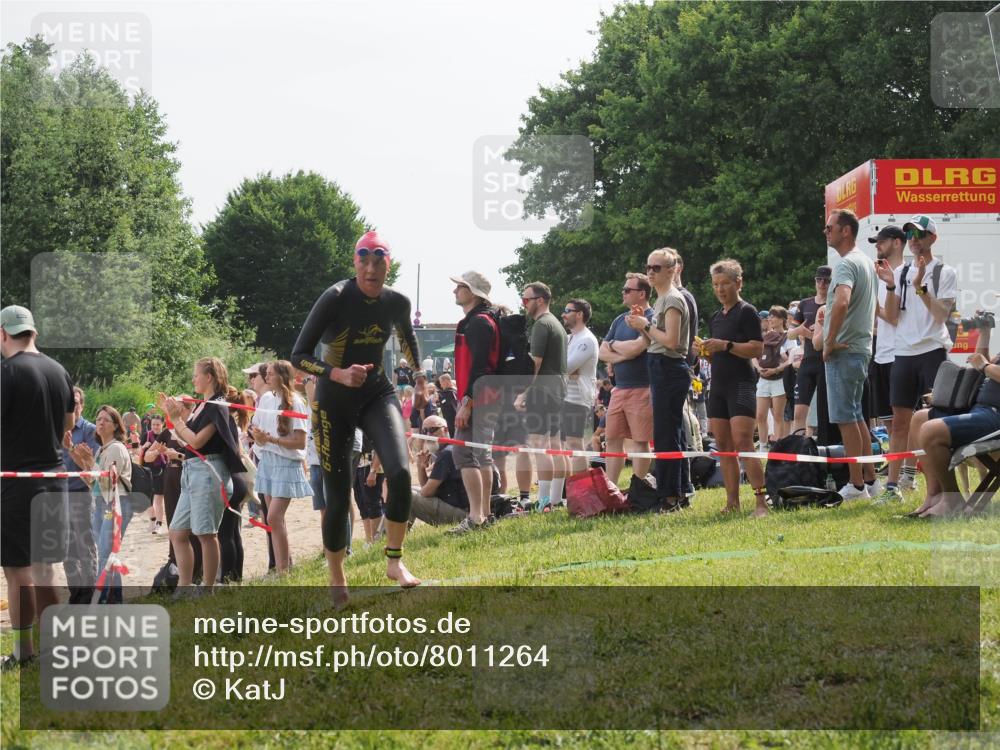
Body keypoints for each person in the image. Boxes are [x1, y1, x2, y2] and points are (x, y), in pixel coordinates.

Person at [291, 229, 421, 602]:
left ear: (387, 266)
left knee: (399, 472)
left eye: (378, 262)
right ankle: (336, 576)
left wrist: (421, 378)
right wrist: (337, 374)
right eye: (364, 261)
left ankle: (394, 560)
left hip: (377, 392)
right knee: (337, 495)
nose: (370, 269)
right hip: (334, 400)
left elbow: (409, 342)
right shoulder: (335, 297)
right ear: (355, 263)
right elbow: (298, 355)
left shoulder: (397, 301)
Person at [1, 305, 73, 670]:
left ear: (2, 334)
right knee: (47, 567)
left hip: (16, 481)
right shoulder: (58, 371)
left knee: (18, 569)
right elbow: (68, 422)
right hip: (55, 477)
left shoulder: (7, 373)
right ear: (34, 333)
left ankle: (23, 651)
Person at [875, 215, 957, 501]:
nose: (913, 241)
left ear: (932, 238)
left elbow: (940, 316)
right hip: (904, 353)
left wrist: (920, 287)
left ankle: (935, 489)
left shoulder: (944, 271)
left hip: (932, 351)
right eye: (910, 235)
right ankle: (892, 486)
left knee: (933, 420)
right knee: (899, 422)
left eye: (919, 235)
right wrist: (888, 286)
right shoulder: (900, 272)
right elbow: (893, 317)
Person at [157, 357, 243, 594]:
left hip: (208, 473)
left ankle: (208, 589)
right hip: (191, 472)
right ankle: (185, 587)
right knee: (177, 532)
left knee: (206, 533)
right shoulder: (201, 406)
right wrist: (175, 419)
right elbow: (188, 441)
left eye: (196, 374)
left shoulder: (218, 405)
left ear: (209, 377)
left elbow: (197, 441)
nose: (193, 379)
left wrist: (175, 420)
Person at [908, 325, 998, 516]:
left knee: (930, 431)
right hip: (980, 409)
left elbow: (985, 367)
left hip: (994, 415)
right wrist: (984, 333)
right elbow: (982, 368)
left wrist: (985, 366)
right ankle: (935, 495)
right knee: (919, 419)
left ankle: (952, 500)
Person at [625, 248, 691, 509]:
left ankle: (671, 494)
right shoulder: (664, 299)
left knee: (666, 435)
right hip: (662, 365)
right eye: (648, 267)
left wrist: (646, 325)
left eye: (657, 268)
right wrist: (642, 324)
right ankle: (678, 491)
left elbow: (673, 342)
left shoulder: (672, 299)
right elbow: (658, 339)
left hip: (669, 367)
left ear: (672, 270)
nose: (650, 272)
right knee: (668, 433)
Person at [702, 260, 767, 516]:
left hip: (741, 384)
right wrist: (707, 351)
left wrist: (726, 345)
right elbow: (718, 354)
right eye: (716, 284)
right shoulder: (716, 317)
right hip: (718, 385)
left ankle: (762, 502)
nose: (720, 289)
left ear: (738, 283)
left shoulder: (747, 311)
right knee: (724, 445)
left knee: (743, 443)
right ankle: (732, 503)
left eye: (725, 283)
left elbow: (757, 348)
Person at [822, 208, 879, 500]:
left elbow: (842, 302)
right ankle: (869, 479)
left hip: (845, 350)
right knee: (856, 417)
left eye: (830, 227)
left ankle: (856, 485)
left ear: (846, 231)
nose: (826, 231)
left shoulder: (846, 265)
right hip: (859, 349)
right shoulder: (866, 262)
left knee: (846, 418)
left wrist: (829, 341)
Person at [449, 270, 501, 532]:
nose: (455, 291)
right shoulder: (480, 319)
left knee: (465, 453)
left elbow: (480, 367)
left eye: (459, 286)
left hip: (479, 397)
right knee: (480, 454)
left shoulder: (479, 322)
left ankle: (477, 517)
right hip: (484, 396)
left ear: (473, 291)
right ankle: (484, 515)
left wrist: (467, 401)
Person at [249, 360, 312, 574]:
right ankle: (282, 567)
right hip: (267, 461)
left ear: (283, 376)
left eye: (271, 374)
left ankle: (283, 569)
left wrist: (271, 440)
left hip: (286, 463)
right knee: (273, 519)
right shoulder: (266, 399)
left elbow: (300, 442)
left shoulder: (296, 401)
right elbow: (258, 436)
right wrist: (258, 437)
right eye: (265, 374)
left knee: (274, 516)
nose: (266, 377)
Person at [70, 405, 133, 604]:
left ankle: (101, 602)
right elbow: (96, 484)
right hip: (103, 504)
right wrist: (84, 463)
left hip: (116, 505)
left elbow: (108, 484)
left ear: (115, 425)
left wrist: (90, 462)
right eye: (98, 419)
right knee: (108, 556)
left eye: (106, 419)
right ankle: (114, 601)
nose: (100, 422)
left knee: (105, 555)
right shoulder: (103, 449)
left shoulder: (115, 448)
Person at [514, 282, 568, 510]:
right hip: (557, 390)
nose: (523, 303)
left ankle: (544, 501)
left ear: (540, 300)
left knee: (540, 444)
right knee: (554, 445)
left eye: (526, 299)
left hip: (543, 391)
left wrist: (522, 394)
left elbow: (534, 365)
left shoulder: (542, 325)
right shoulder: (555, 323)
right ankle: (555, 499)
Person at [598, 273, 655, 487]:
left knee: (640, 442)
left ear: (641, 294)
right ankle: (611, 488)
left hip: (643, 388)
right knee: (611, 439)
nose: (623, 293)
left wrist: (614, 346)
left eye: (627, 290)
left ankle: (638, 488)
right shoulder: (619, 319)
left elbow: (640, 346)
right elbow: (602, 351)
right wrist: (622, 352)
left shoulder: (651, 317)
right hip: (619, 390)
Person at [867, 225, 906, 502]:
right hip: (880, 354)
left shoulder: (905, 274)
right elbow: (881, 322)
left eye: (881, 241)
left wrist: (874, 310)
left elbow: (893, 318)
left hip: (900, 354)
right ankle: (898, 476)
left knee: (903, 424)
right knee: (891, 426)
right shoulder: (879, 277)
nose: (877, 245)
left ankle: (900, 481)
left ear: (896, 242)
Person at [61, 386, 100, 604]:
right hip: (59, 495)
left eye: (75, 402)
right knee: (66, 551)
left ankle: (89, 594)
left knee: (85, 547)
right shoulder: (57, 430)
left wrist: (70, 447)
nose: (71, 407)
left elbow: (91, 466)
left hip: (82, 493)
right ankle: (76, 595)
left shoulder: (90, 431)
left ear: (82, 405)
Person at [789, 266, 832, 434]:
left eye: (826, 281)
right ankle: (798, 445)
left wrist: (820, 332)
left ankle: (824, 445)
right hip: (808, 361)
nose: (822, 284)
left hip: (826, 361)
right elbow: (790, 334)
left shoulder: (834, 303)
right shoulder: (805, 304)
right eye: (819, 280)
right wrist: (802, 331)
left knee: (824, 410)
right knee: (799, 410)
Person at [410, 415, 472, 527]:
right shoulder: (448, 449)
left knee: (407, 495)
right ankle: (394, 536)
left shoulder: (446, 454)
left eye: (433, 430)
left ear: (446, 429)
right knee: (409, 490)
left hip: (462, 514)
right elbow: (427, 488)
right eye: (425, 431)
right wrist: (421, 467)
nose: (429, 435)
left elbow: (426, 492)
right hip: (459, 508)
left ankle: (387, 537)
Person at [561, 298, 599, 476]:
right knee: (560, 445)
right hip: (562, 396)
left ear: (579, 314)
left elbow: (565, 367)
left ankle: (583, 490)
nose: (563, 314)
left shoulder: (587, 339)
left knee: (575, 443)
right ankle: (566, 490)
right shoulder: (568, 338)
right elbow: (560, 366)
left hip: (577, 399)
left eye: (567, 310)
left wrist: (567, 369)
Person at [754, 306, 792, 447]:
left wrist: (776, 370)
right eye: (769, 316)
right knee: (760, 415)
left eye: (773, 316)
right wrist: (759, 368)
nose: (770, 319)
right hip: (763, 379)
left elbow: (791, 359)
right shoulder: (765, 336)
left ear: (782, 319)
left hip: (779, 380)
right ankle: (763, 447)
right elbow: (754, 355)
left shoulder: (789, 336)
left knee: (778, 415)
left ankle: (778, 447)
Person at [138, 415, 168, 534]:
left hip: (161, 469)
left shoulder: (166, 435)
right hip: (147, 469)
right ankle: (153, 520)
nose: (155, 427)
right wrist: (144, 447)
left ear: (162, 424)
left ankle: (159, 524)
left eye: (158, 424)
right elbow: (138, 453)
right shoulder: (146, 435)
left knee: (159, 498)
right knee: (148, 498)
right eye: (153, 424)